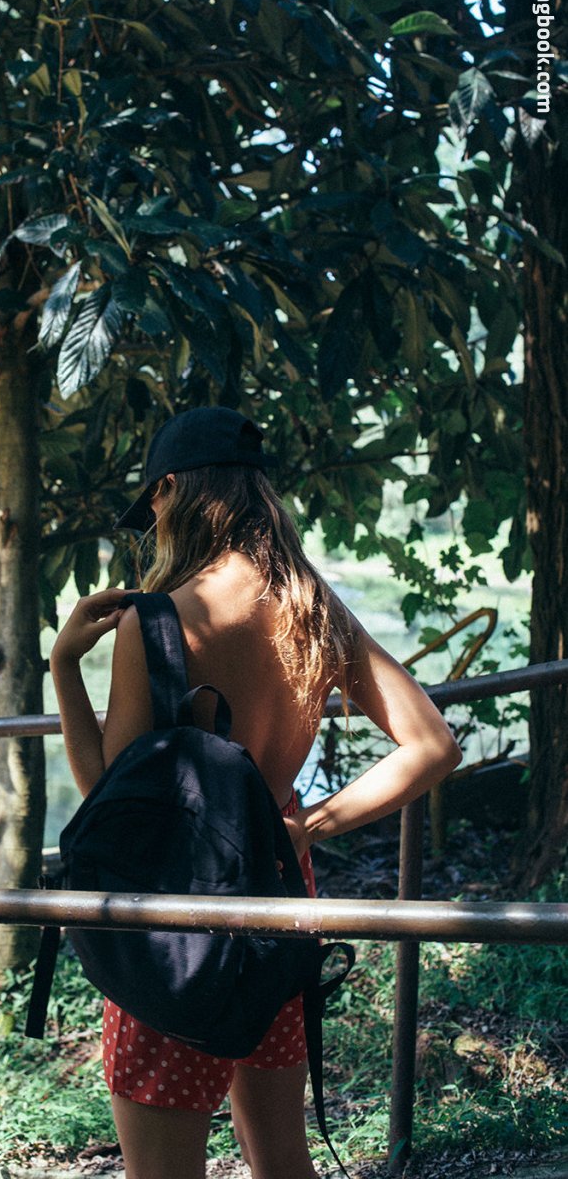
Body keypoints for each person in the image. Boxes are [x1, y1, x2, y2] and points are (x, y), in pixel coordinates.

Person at [49, 407, 461, 1179]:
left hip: (179, 916)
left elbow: (109, 800)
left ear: (171, 491)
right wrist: (307, 829)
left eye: (154, 504)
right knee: (281, 1158)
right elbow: (433, 745)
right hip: (281, 897)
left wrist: (64, 669)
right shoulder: (312, 607)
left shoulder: (158, 621)